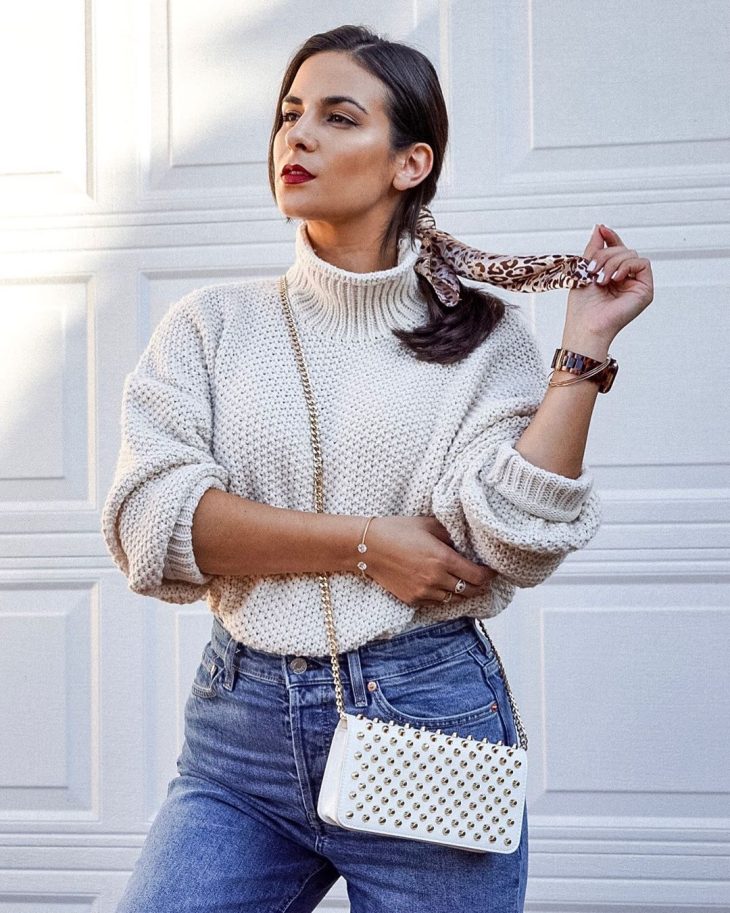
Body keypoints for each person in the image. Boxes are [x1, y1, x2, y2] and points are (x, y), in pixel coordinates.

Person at [101, 23, 653, 913]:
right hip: (239, 736)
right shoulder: (210, 326)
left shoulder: (483, 337)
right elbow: (152, 523)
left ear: (410, 163)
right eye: (289, 115)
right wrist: (367, 544)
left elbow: (514, 537)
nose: (298, 137)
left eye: (337, 116)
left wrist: (583, 349)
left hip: (427, 716)